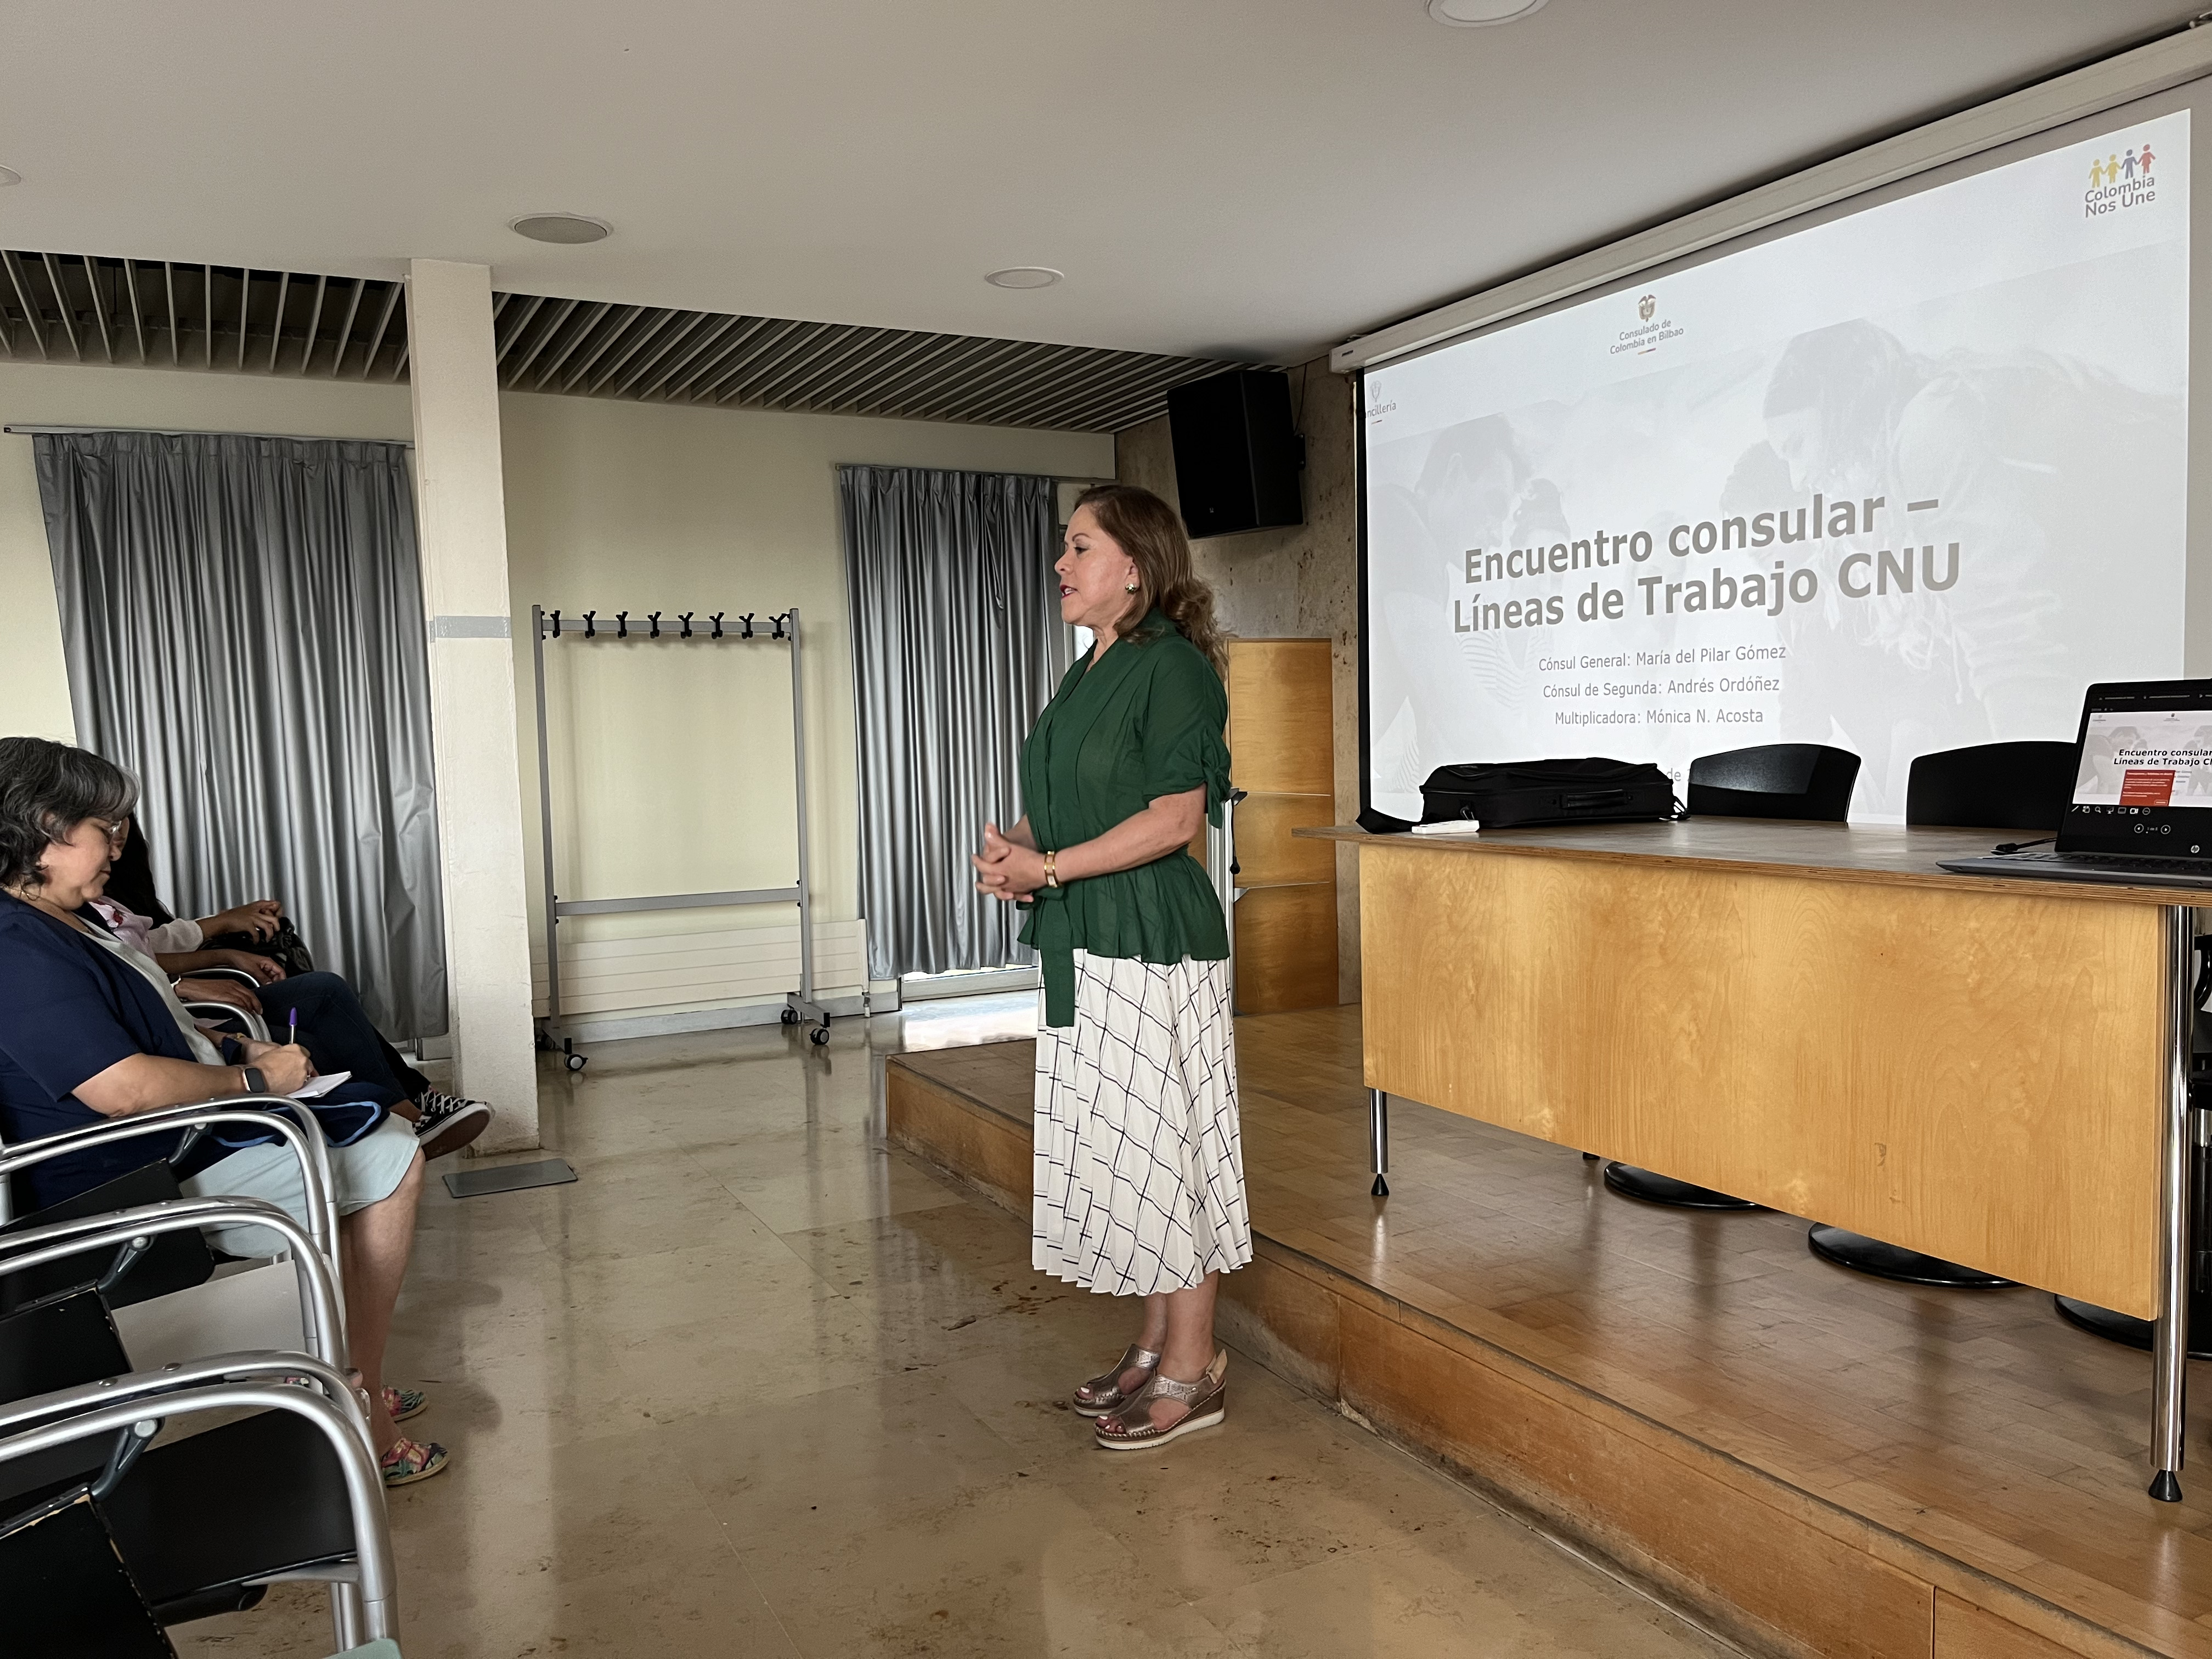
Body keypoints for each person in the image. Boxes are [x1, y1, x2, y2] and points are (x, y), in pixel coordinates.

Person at [0, 737, 448, 1486]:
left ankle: (336, 1375)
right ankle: (355, 1397)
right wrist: (254, 1084)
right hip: (129, 1173)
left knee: (365, 1121)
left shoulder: (66, 918)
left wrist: (228, 1047)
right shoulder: (16, 945)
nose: (119, 846)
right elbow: (123, 1090)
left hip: (173, 1138)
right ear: (45, 826)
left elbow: (138, 1032)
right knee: (393, 1157)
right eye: (103, 828)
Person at [972, 482, 1250, 1451]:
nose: (1061, 562)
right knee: (1126, 1150)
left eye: (1079, 546)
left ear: (1133, 566)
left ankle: (1193, 1364)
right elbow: (1070, 805)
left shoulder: (1171, 667)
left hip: (1149, 934)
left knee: (1167, 1148)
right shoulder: (1088, 669)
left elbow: (1174, 820)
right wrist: (1017, 850)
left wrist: (1044, 865)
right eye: (1064, 545)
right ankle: (1153, 1336)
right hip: (1083, 926)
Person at [93, 815, 491, 1159]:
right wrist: (186, 984)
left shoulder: (107, 902)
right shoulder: (56, 929)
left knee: (322, 991)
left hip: (189, 1015)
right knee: (307, 1043)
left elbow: (149, 946)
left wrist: (224, 945)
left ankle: (412, 1108)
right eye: (104, 825)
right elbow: (127, 971)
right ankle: (408, 1116)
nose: (117, 836)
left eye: (122, 820)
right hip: (179, 1027)